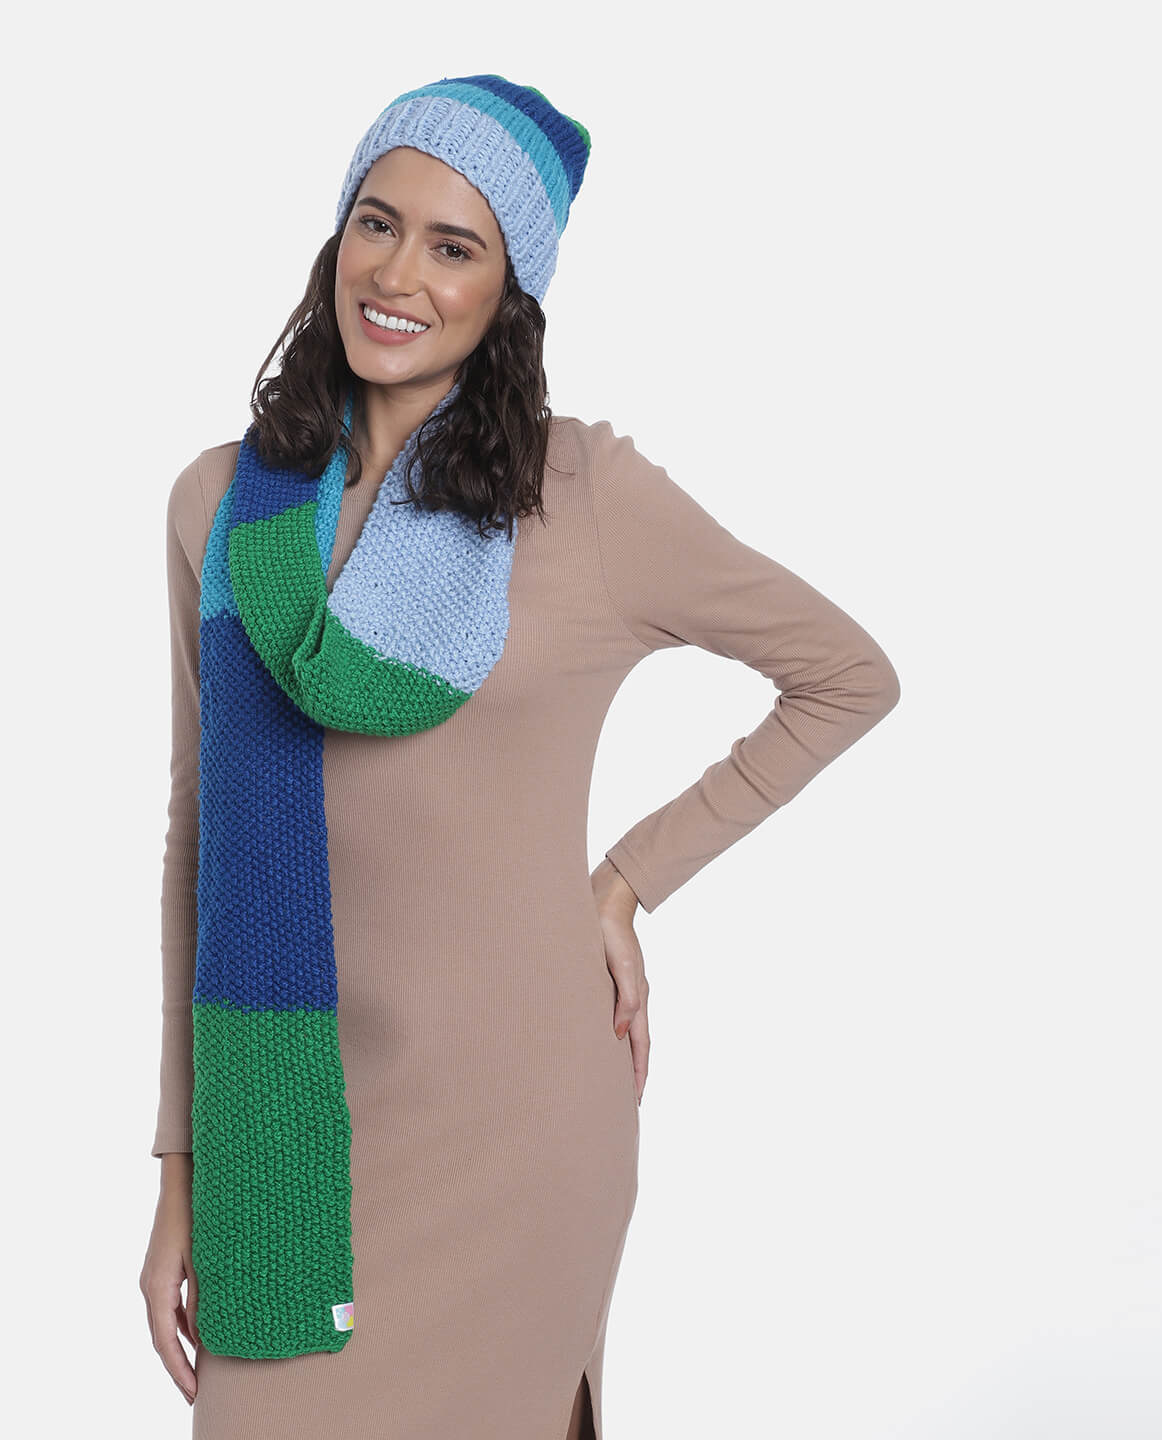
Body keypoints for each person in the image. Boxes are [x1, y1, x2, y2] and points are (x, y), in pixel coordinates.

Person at [139, 75, 900, 1440]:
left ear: (511, 293)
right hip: (285, 1131)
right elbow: (199, 841)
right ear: (337, 235)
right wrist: (178, 1168)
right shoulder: (220, 506)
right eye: (379, 223)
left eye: (455, 246)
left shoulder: (586, 497)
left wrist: (625, 880)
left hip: (518, 1125)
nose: (398, 276)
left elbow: (846, 677)